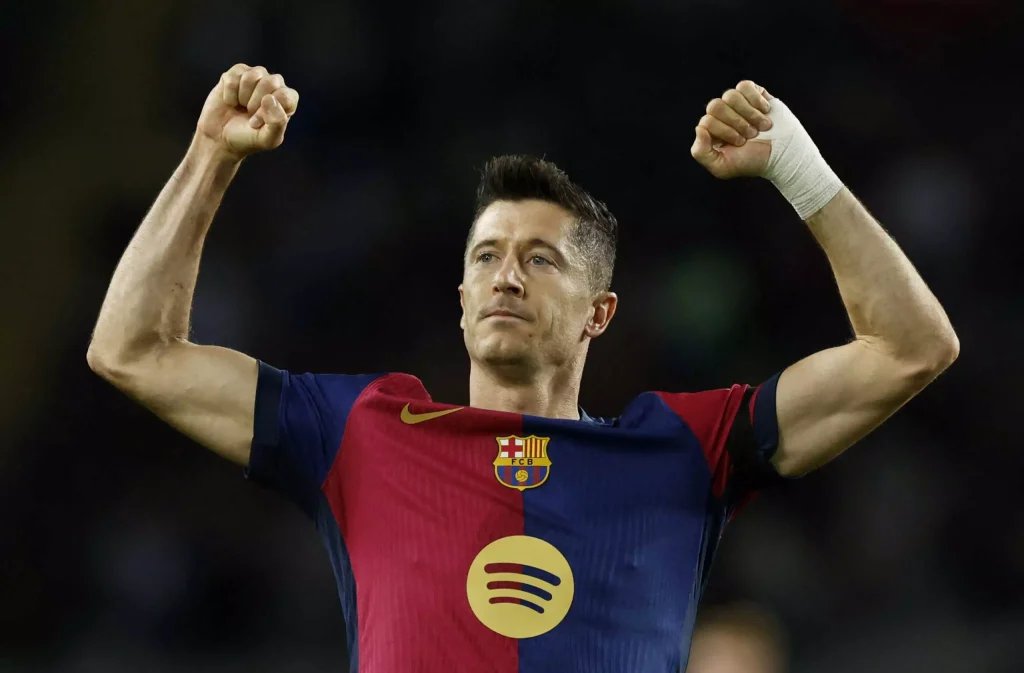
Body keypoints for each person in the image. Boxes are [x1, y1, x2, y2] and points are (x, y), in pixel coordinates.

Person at [87, 64, 958, 672]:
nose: (506, 275)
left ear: (599, 313)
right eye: (487, 257)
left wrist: (801, 172)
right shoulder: (358, 431)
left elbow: (911, 347)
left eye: (541, 259)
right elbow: (131, 349)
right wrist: (210, 157)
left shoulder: (685, 449)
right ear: (462, 298)